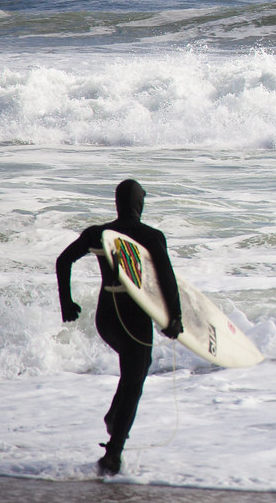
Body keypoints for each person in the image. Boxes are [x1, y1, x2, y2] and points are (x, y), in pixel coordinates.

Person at [56, 179, 183, 476]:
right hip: (134, 318)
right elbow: (166, 278)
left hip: (106, 318)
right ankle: (113, 453)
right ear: (140, 203)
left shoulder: (98, 233)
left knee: (133, 370)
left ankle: (115, 417)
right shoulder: (151, 236)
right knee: (135, 379)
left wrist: (67, 303)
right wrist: (174, 317)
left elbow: (63, 261)